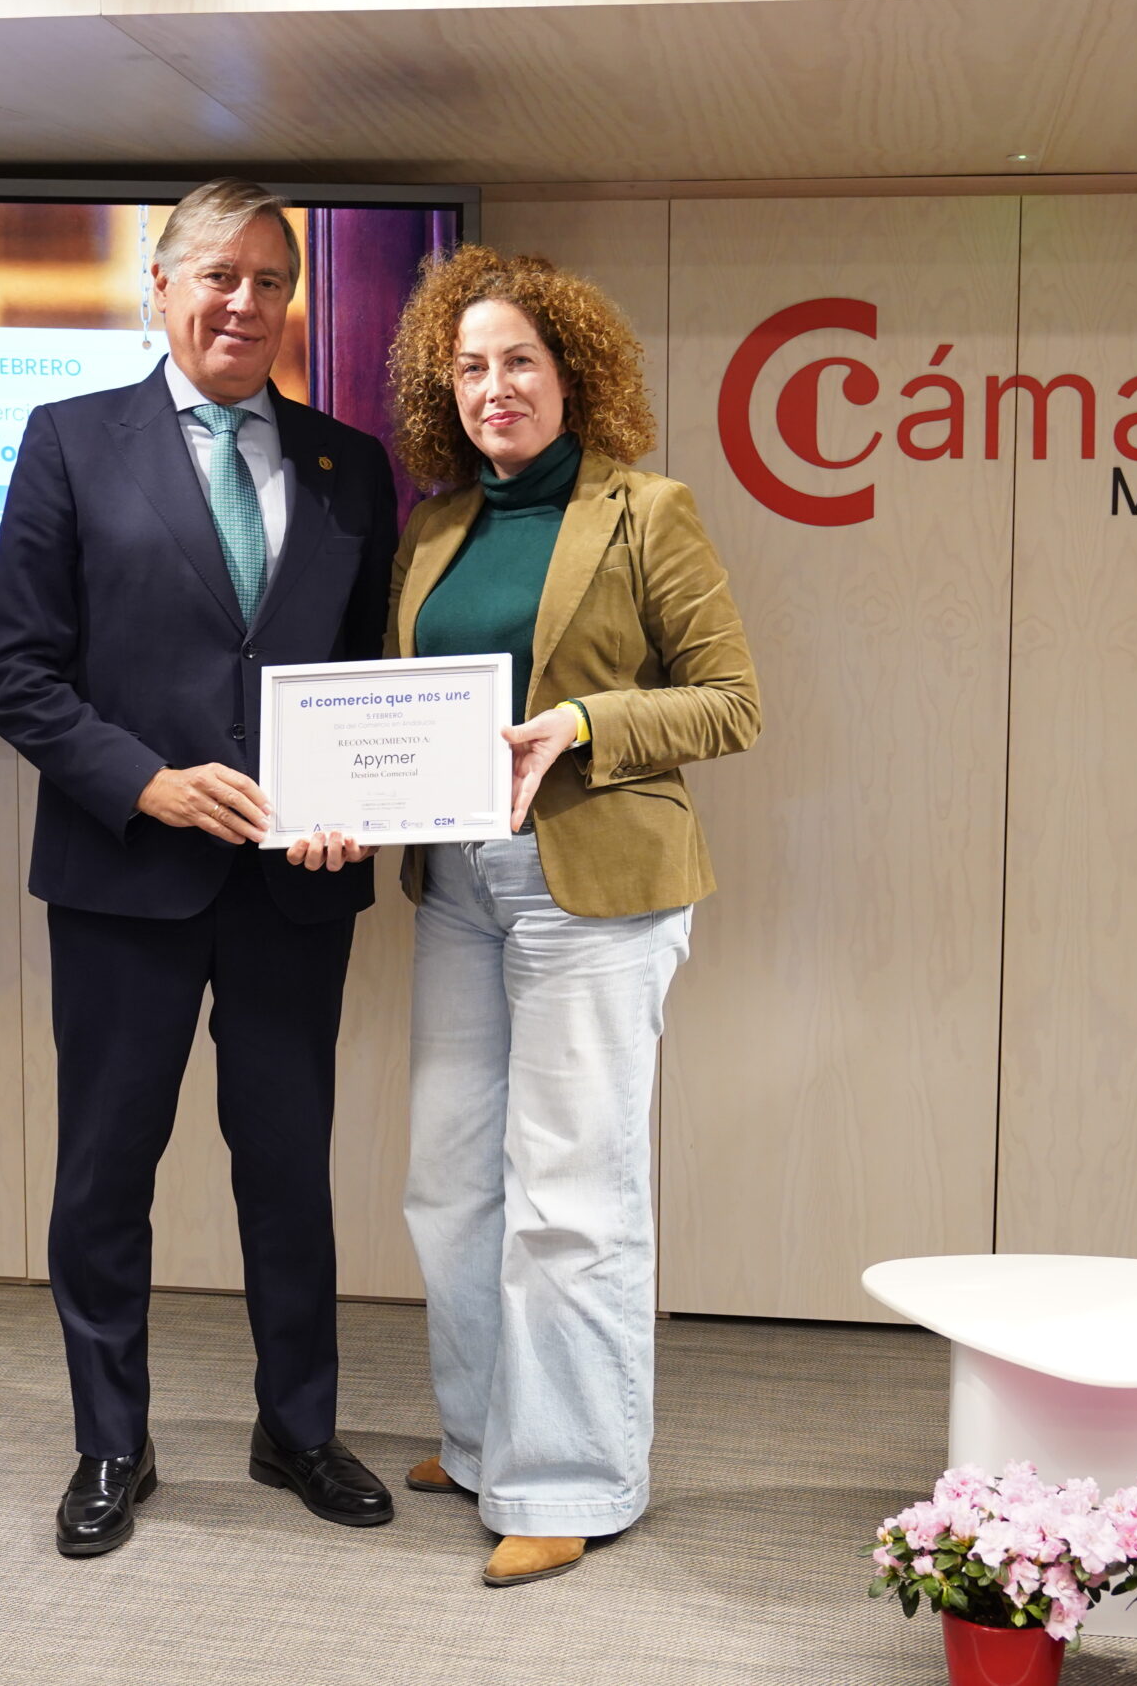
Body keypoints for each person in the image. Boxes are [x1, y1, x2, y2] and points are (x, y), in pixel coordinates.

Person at [0, 178, 400, 1557]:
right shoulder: (68, 443)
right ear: (157, 287)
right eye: (219, 275)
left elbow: (370, 678)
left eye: (271, 281)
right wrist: (147, 783)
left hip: (296, 886)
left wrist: (356, 800)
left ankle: (298, 1430)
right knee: (105, 1175)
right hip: (123, 879)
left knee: (288, 1171)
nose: (244, 303)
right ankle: (113, 1441)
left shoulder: (349, 464)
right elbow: (18, 676)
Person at [381, 246, 761, 1586]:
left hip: (591, 888)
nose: (495, 387)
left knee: (570, 1194)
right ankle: (486, 1437)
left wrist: (586, 722)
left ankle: (570, 1478)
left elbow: (731, 699)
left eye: (520, 362)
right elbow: (393, 711)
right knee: (447, 1182)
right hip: (458, 887)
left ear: (571, 373)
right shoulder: (434, 528)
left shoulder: (646, 511)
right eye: (470, 367)